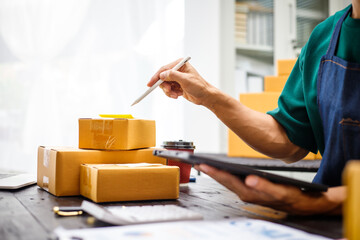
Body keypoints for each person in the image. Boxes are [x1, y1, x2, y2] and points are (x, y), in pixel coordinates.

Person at [147, 1, 360, 215]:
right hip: (326, 221)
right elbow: (288, 141)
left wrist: (316, 202)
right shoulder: (324, 36)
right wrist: (208, 96)